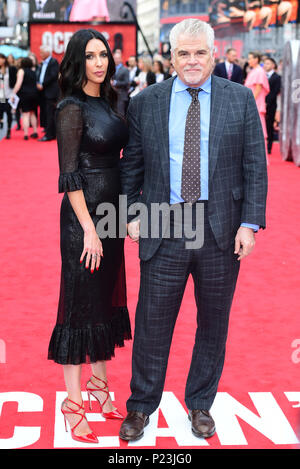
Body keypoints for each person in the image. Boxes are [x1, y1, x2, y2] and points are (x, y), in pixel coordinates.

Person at [119, 18, 267, 442]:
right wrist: (130, 213)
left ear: (213, 54)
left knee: (213, 323)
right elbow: (132, 167)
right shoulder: (146, 101)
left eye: (199, 52)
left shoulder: (239, 100)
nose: (191, 61)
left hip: (221, 229)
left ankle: (200, 403)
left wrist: (249, 223)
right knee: (152, 322)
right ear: (171, 56)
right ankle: (141, 406)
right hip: (164, 226)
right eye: (183, 53)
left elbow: (255, 166)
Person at [47, 28, 131, 444]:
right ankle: (74, 402)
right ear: (78, 60)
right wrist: (88, 231)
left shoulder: (114, 101)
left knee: (105, 297)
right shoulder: (70, 107)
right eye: (92, 56)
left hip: (112, 212)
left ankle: (100, 386)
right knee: (79, 304)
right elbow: (69, 175)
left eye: (105, 55)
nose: (100, 62)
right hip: (83, 219)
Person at [244, 51, 270, 158]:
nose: (249, 60)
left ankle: (261, 157)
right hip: (252, 105)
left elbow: (258, 89)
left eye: (250, 58)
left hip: (256, 105)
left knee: (260, 132)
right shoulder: (254, 71)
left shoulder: (259, 71)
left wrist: (250, 102)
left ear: (256, 59)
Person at [11, 57, 39, 140]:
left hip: (24, 95)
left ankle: (26, 134)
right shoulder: (33, 71)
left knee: (25, 114)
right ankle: (35, 132)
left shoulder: (21, 71)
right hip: (34, 94)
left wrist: (13, 93)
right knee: (33, 113)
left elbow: (18, 84)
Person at [37, 45, 59, 141]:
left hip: (51, 92)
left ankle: (50, 135)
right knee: (46, 113)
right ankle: (49, 131)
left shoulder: (53, 62)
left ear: (47, 52)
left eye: (42, 52)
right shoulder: (42, 63)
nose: (40, 54)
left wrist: (42, 84)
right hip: (43, 92)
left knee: (50, 113)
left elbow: (53, 75)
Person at [264, 57, 281, 154]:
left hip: (271, 106)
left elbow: (275, 92)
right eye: (265, 63)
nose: (266, 65)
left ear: (273, 65)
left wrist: (267, 102)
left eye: (268, 63)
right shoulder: (262, 75)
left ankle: (269, 147)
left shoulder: (277, 77)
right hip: (261, 104)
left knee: (269, 126)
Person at [0, 53, 16, 139]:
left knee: (8, 112)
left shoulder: (10, 69)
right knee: (1, 111)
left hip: (9, 94)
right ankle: (1, 122)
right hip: (1, 95)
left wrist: (14, 93)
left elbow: (14, 81)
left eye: (1, 58)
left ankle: (9, 130)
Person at [111, 50, 130, 116]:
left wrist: (115, 83)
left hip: (121, 95)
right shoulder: (112, 69)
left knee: (120, 114)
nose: (116, 60)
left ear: (121, 59)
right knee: (114, 113)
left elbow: (127, 82)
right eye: (115, 58)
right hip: (113, 94)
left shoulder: (125, 69)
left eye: (117, 58)